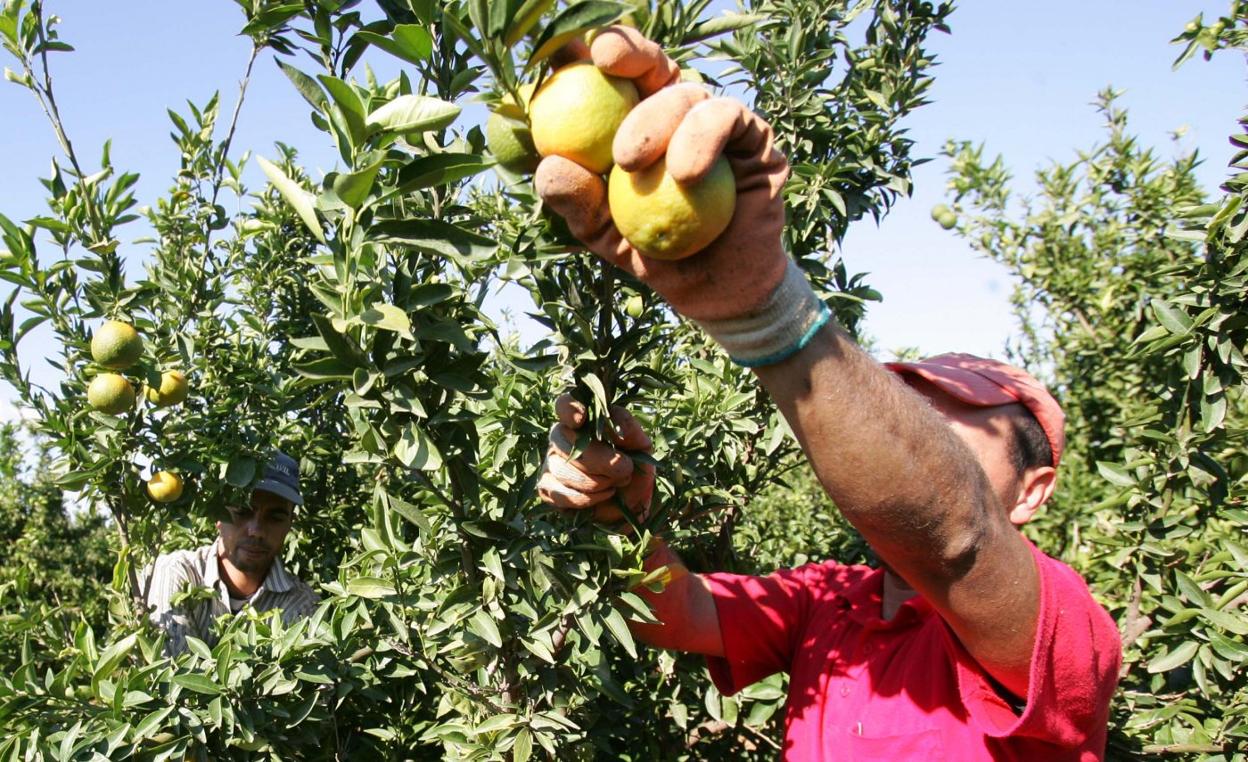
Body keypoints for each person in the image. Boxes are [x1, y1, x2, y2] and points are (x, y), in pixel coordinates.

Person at [534, 26, 1122, 760]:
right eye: (912, 411)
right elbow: (677, 613)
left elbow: (955, 538)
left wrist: (769, 309)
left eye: (956, 421)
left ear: (1033, 491)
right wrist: (621, 514)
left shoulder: (1061, 630)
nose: (921, 432)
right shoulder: (830, 599)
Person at [145, 451, 319, 655]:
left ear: (290, 524)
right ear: (217, 513)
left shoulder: (302, 604)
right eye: (242, 511)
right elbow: (172, 674)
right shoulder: (176, 572)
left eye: (275, 518)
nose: (256, 531)